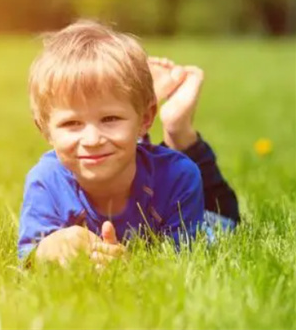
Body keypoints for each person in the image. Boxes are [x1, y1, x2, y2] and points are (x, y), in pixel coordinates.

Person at [18, 20, 240, 268]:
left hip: (207, 214)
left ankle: (178, 127)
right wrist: (49, 248)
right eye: (72, 123)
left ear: (147, 118)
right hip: (130, 145)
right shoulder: (46, 181)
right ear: (45, 129)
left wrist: (130, 265)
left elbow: (185, 263)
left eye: (109, 118)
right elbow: (27, 256)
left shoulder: (179, 176)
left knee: (224, 224)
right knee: (117, 145)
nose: (91, 140)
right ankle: (130, 103)